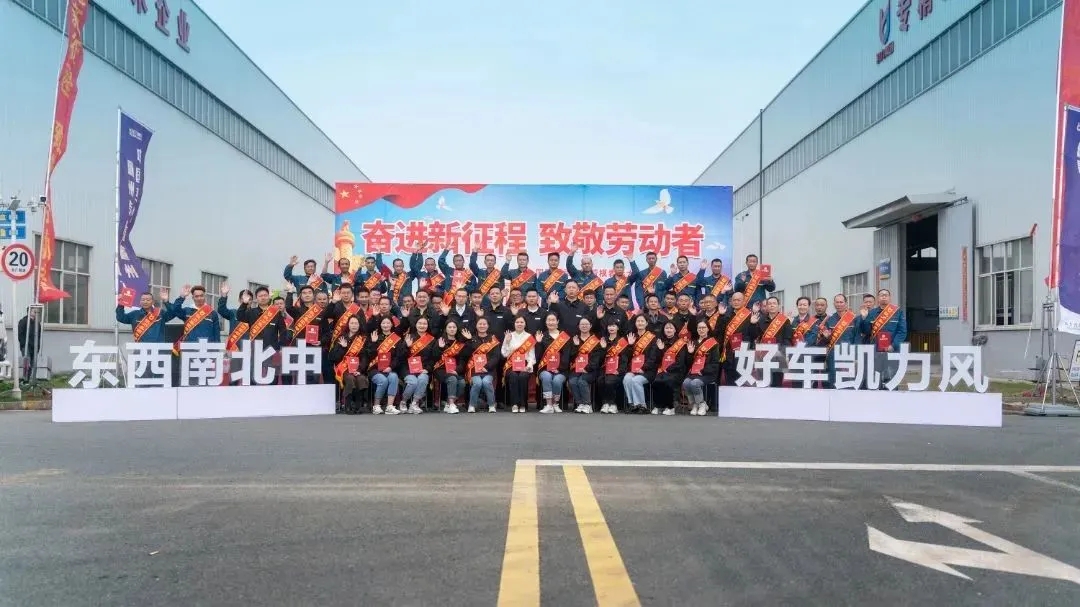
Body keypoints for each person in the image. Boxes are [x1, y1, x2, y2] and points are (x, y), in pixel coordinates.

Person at [170, 284, 223, 385]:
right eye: (196, 296)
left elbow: (216, 333)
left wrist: (216, 350)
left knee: (206, 377)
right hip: (189, 349)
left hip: (207, 350)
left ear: (204, 296)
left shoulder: (212, 313)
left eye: (201, 295)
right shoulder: (187, 311)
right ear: (193, 298)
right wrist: (182, 297)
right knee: (188, 377)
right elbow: (175, 310)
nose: (199, 298)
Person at [860, 288, 908, 389]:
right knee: (876, 379)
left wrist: (893, 345)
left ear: (890, 298)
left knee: (891, 380)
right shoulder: (872, 313)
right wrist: (864, 318)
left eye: (886, 295)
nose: (884, 296)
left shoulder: (897, 312)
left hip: (892, 350)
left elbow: (902, 331)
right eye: (881, 295)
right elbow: (866, 332)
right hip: (875, 351)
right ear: (878, 298)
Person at [329, 316, 368, 414]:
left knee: (361, 378)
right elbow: (333, 357)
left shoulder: (362, 339)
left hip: (357, 368)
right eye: (352, 323)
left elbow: (364, 358)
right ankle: (347, 405)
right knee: (350, 378)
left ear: (359, 325)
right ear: (348, 324)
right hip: (343, 368)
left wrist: (359, 370)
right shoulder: (341, 337)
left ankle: (358, 406)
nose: (354, 325)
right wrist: (343, 348)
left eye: (356, 323)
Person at [719, 292, 759, 386]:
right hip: (729, 354)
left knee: (742, 383)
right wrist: (721, 316)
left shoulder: (750, 315)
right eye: (734, 300)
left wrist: (753, 324)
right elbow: (720, 333)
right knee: (730, 382)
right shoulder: (726, 314)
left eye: (738, 300)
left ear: (744, 301)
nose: (736, 302)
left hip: (743, 353)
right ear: (731, 301)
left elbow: (754, 336)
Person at [683, 320, 721, 416]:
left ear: (708, 329)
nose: (701, 330)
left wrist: (703, 371)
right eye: (699, 328)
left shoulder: (713, 343)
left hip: (707, 373)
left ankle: (701, 404)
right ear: (697, 329)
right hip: (694, 372)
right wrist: (690, 353)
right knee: (686, 383)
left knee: (695, 383)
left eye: (703, 327)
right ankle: (695, 404)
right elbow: (688, 363)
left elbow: (715, 363)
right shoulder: (693, 343)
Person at [536, 312, 571, 413]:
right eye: (549, 320)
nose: (551, 322)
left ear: (557, 321)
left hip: (561, 370)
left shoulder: (564, 337)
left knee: (557, 380)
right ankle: (548, 405)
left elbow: (566, 356)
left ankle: (555, 404)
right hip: (545, 368)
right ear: (545, 322)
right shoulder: (542, 336)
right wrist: (538, 343)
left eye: (553, 320)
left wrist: (559, 368)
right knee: (547, 377)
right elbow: (538, 357)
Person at [401, 317, 437, 414]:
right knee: (413, 382)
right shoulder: (409, 337)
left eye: (424, 324)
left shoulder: (432, 340)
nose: (422, 325)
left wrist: (427, 369)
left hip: (423, 369)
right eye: (420, 323)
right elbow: (401, 356)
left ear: (427, 326)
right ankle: (403, 402)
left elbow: (434, 358)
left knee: (423, 379)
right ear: (416, 325)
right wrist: (407, 347)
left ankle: (414, 403)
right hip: (408, 368)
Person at [368, 317, 404, 414]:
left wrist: (390, 367)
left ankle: (389, 406)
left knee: (394, 377)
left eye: (388, 323)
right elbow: (369, 356)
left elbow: (398, 357)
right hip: (375, 369)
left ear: (392, 324)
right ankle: (376, 406)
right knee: (382, 380)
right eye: (383, 323)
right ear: (380, 325)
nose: (385, 325)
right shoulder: (375, 337)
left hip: (389, 369)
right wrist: (373, 343)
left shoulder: (396, 339)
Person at [822, 294, 859, 389]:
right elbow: (825, 340)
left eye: (841, 302)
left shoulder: (853, 318)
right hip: (833, 354)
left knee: (848, 381)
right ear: (834, 303)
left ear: (846, 303)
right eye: (837, 302)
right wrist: (825, 337)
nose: (839, 304)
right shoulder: (829, 319)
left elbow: (857, 337)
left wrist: (856, 354)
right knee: (833, 380)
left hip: (849, 354)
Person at [623, 314, 659, 414]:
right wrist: (630, 345)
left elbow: (653, 357)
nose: (640, 323)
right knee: (627, 379)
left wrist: (643, 368)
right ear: (635, 323)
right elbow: (627, 357)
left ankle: (642, 405)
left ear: (646, 323)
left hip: (648, 370)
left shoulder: (652, 338)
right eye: (638, 321)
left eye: (642, 321)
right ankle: (632, 404)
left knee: (636, 380)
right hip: (633, 369)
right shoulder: (632, 337)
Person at [466, 317, 501, 413]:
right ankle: (472, 405)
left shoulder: (493, 339)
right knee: (477, 383)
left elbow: (496, 356)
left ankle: (491, 405)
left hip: (489, 370)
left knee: (486, 382)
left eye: (484, 324)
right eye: (480, 324)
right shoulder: (472, 338)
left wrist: (487, 367)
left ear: (488, 326)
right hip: (474, 370)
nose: (482, 326)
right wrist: (469, 340)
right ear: (476, 326)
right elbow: (466, 354)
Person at [501, 315, 536, 413]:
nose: (519, 324)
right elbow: (504, 354)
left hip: (524, 364)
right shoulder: (509, 335)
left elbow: (532, 356)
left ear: (525, 324)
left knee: (523, 376)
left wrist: (528, 366)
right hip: (511, 364)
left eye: (521, 322)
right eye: (517, 322)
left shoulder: (529, 337)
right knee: (513, 376)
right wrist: (507, 342)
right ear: (514, 324)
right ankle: (514, 404)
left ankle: (523, 404)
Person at [567, 317, 603, 414]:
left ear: (590, 326)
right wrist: (575, 346)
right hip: (576, 369)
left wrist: (587, 368)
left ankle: (587, 405)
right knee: (572, 381)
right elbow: (571, 357)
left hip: (590, 370)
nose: (584, 326)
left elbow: (597, 358)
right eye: (582, 324)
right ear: (578, 326)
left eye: (586, 324)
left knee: (582, 381)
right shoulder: (574, 339)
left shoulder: (595, 341)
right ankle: (580, 404)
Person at [756, 296, 792, 388]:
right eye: (769, 304)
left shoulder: (785, 320)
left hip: (779, 356)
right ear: (766, 306)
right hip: (763, 356)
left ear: (778, 306)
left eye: (774, 303)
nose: (772, 305)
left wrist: (785, 354)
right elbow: (756, 337)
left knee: (777, 383)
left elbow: (787, 339)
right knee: (764, 383)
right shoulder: (760, 320)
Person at [652, 322, 686, 416]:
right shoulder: (660, 342)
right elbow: (657, 360)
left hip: (676, 371)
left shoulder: (681, 343)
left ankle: (671, 407)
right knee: (657, 380)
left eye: (671, 328)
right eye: (667, 328)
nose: (669, 330)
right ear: (664, 330)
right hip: (663, 370)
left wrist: (669, 369)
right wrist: (660, 349)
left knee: (668, 380)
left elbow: (680, 361)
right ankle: (659, 405)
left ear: (675, 330)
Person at [435, 320, 468, 414]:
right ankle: (452, 404)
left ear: (457, 329)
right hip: (441, 369)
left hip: (454, 370)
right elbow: (434, 357)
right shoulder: (440, 340)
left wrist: (457, 370)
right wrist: (440, 348)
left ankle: (448, 404)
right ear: (446, 329)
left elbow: (462, 360)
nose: (452, 329)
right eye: (449, 327)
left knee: (462, 382)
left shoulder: (460, 343)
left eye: (454, 327)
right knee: (452, 379)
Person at [597, 322, 629, 414]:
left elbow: (624, 359)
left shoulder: (622, 342)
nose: (611, 328)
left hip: (617, 369)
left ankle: (613, 404)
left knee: (609, 381)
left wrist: (619, 370)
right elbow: (600, 359)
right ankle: (605, 403)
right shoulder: (604, 340)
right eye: (609, 326)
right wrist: (603, 348)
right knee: (600, 380)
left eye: (613, 326)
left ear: (617, 328)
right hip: (605, 369)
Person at [17, 307, 42, 378]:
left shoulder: (37, 324)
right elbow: (20, 334)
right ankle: (25, 378)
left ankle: (30, 378)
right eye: (34, 311)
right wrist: (23, 344)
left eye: (37, 312)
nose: (36, 313)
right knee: (27, 362)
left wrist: (38, 347)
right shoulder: (23, 321)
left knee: (33, 364)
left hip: (34, 347)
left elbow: (38, 336)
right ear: (29, 312)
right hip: (26, 346)